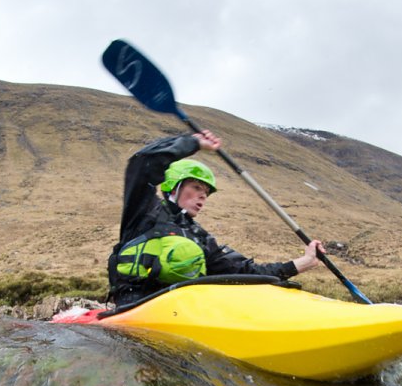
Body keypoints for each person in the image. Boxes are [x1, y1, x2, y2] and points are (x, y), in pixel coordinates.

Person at [107, 130, 324, 305]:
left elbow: (247, 272)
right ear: (173, 186)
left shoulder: (199, 237)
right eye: (196, 187)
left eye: (206, 193)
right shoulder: (143, 212)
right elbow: (141, 163)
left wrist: (303, 263)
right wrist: (194, 143)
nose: (203, 196)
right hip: (133, 309)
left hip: (178, 311)